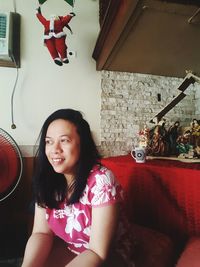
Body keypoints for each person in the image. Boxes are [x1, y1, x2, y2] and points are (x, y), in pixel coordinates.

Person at [21, 109, 134, 267]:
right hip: (74, 249)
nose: (55, 149)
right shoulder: (46, 179)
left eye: (64, 140)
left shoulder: (101, 180)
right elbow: (41, 232)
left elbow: (97, 252)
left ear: (82, 144)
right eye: (49, 141)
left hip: (108, 257)